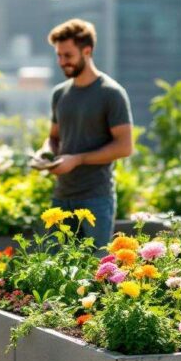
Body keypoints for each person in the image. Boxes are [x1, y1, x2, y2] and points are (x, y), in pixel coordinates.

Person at [38, 19, 134, 247]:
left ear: (87, 51)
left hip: (96, 198)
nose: (62, 62)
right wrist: (45, 153)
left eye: (68, 55)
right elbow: (54, 137)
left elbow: (125, 146)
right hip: (62, 196)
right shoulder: (59, 94)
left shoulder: (111, 93)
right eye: (59, 56)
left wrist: (78, 159)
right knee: (54, 268)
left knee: (95, 269)